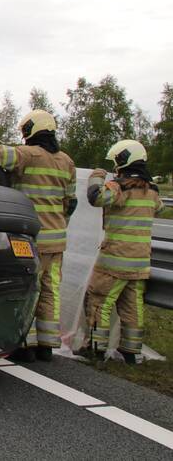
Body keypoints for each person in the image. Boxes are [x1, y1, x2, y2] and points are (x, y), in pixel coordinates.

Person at [0, 109, 77, 362]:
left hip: (31, 239)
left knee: (27, 290)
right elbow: (71, 202)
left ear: (30, 130)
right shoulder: (67, 161)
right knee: (49, 291)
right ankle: (46, 345)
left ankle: (24, 345)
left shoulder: (27, 154)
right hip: (57, 239)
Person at [82, 140, 166, 364]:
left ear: (123, 161)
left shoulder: (119, 188)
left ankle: (95, 348)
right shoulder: (153, 193)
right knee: (132, 307)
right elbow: (160, 208)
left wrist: (97, 177)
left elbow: (96, 198)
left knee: (100, 302)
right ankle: (131, 352)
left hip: (114, 261)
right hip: (140, 262)